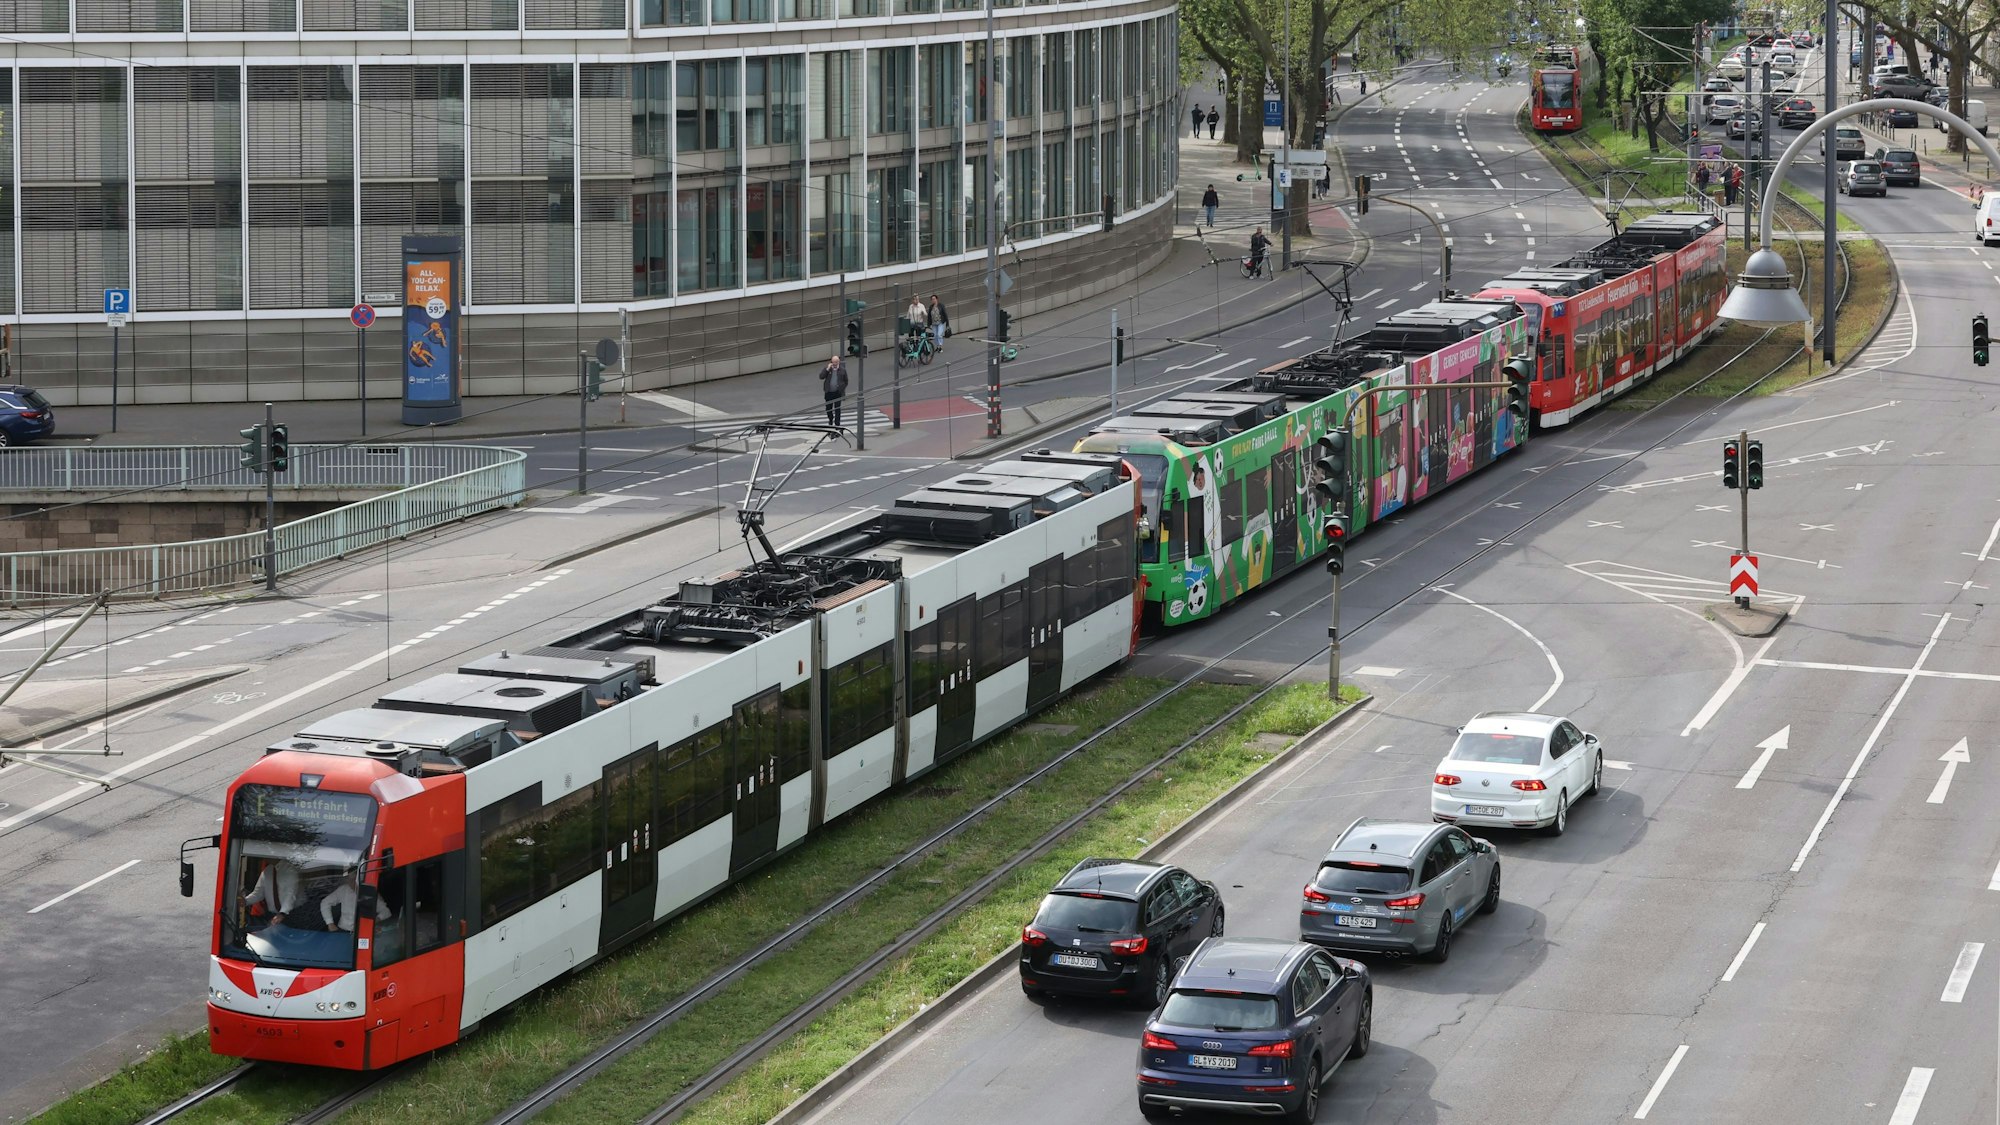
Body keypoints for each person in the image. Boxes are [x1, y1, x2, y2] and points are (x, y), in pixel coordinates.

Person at [320, 868, 390, 933]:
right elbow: (325, 903)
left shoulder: (369, 891)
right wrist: (330, 923)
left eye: (354, 880)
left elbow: (386, 911)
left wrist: (375, 920)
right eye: (349, 880)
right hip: (343, 931)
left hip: (363, 933)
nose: (352, 883)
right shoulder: (343, 890)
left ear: (360, 879)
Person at [242, 858, 303, 927]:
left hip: (291, 915)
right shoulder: (267, 871)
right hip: (272, 915)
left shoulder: (290, 869)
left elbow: (290, 894)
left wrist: (282, 913)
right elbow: (258, 893)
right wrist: (245, 901)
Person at [818, 354, 848, 427]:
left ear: (839, 362)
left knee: (837, 409)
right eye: (833, 362)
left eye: (836, 362)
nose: (834, 364)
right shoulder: (828, 369)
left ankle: (837, 424)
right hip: (829, 392)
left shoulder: (842, 370)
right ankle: (830, 419)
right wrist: (827, 369)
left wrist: (842, 388)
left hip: (837, 392)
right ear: (831, 362)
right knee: (828, 408)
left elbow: (846, 380)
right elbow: (821, 376)